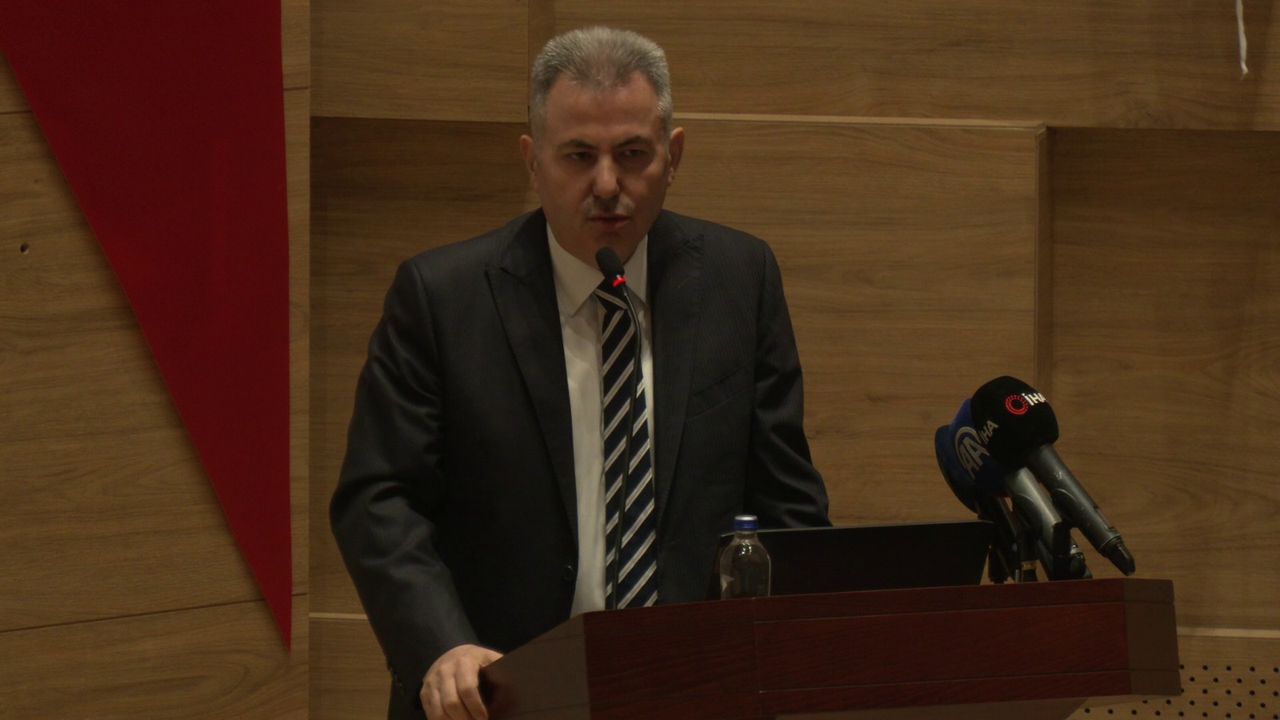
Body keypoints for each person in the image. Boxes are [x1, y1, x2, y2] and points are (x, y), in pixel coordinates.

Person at [331, 26, 830, 720]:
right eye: (578, 156)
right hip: (500, 693)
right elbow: (379, 501)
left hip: (693, 691)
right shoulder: (443, 298)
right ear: (533, 161)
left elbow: (789, 507)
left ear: (674, 156)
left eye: (632, 154)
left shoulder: (739, 280)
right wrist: (444, 647)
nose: (607, 185)